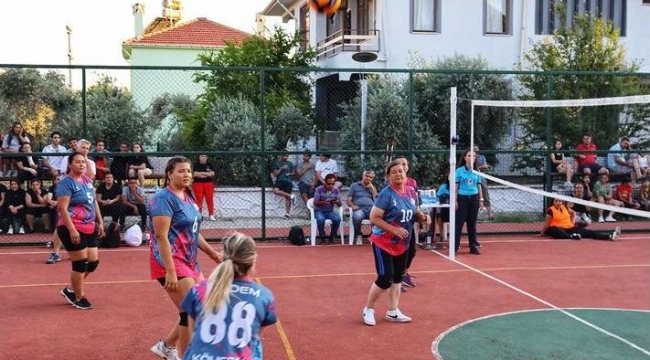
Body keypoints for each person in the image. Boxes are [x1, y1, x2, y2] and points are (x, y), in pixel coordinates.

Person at [148, 156, 222, 359]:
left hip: (190, 262)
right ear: (170, 174)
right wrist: (170, 271)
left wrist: (213, 254)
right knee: (191, 312)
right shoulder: (164, 199)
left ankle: (166, 346)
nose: (186, 174)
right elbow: (161, 236)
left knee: (199, 308)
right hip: (171, 261)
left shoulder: (187, 197)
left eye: (188, 171)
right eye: (181, 171)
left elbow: (194, 232)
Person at [181, 232, 277, 360]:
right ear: (252, 261)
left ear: (224, 257)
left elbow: (194, 334)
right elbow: (254, 335)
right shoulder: (264, 297)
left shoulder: (198, 290)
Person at [362, 160, 430, 326]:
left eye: (400, 171)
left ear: (406, 173)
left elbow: (415, 211)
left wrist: (423, 217)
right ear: (388, 177)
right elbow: (374, 217)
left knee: (398, 277)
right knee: (385, 278)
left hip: (402, 243)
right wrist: (394, 230)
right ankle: (368, 308)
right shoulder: (386, 194)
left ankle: (393, 311)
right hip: (383, 242)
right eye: (394, 172)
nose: (398, 174)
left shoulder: (411, 193)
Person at [57, 151, 105, 310]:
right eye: (77, 162)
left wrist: (100, 221)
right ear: (70, 164)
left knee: (93, 262)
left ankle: (70, 289)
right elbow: (62, 209)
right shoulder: (66, 183)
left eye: (83, 162)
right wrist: (72, 230)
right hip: (72, 226)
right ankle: (79, 297)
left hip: (89, 225)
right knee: (80, 264)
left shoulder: (86, 180)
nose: (82, 164)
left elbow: (93, 203)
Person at [392, 156, 419, 289]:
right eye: (399, 164)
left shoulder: (413, 183)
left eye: (404, 164)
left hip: (409, 221)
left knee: (412, 250)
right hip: (396, 223)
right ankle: (396, 278)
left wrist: (421, 217)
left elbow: (416, 201)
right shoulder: (392, 182)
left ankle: (404, 274)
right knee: (398, 251)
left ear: (407, 168)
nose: (402, 166)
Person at [541, 198, 620, 241]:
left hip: (570, 228)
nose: (558, 202)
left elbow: (573, 213)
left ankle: (610, 236)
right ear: (553, 202)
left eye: (560, 201)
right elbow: (547, 223)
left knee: (589, 232)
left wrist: (572, 222)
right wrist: (542, 233)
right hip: (557, 228)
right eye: (556, 201)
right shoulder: (550, 210)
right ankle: (572, 237)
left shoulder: (564, 207)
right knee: (554, 230)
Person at [454, 149, 483, 255]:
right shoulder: (459, 171)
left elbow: (479, 186)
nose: (471, 158)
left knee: (472, 223)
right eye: (469, 155)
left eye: (473, 156)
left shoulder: (477, 171)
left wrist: (481, 199)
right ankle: (455, 247)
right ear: (465, 158)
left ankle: (473, 247)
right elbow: (456, 187)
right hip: (462, 198)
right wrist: (455, 200)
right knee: (459, 223)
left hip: (474, 198)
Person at [347, 170, 377, 245]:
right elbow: (348, 200)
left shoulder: (372, 187)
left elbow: (377, 202)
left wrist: (373, 190)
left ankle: (373, 235)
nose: (368, 178)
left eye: (371, 177)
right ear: (363, 176)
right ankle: (358, 235)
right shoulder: (354, 186)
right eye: (367, 176)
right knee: (357, 217)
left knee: (378, 217)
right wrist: (352, 206)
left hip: (371, 209)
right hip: (359, 209)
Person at [312, 173, 342, 244]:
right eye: (329, 184)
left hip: (329, 211)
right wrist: (324, 202)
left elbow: (340, 204)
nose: (331, 185)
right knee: (321, 219)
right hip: (319, 210)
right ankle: (322, 237)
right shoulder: (319, 189)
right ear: (325, 182)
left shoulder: (336, 190)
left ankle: (332, 237)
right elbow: (315, 203)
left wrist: (337, 202)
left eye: (333, 184)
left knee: (337, 219)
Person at [270, 151, 296, 219]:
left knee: (287, 199)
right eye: (284, 156)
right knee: (275, 191)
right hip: (279, 181)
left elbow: (293, 173)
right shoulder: (277, 163)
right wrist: (281, 168)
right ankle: (291, 195)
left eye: (287, 156)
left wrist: (289, 174)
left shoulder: (290, 163)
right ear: (281, 156)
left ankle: (287, 214)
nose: (285, 157)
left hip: (288, 181)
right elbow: (275, 174)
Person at [44, 174, 63, 264]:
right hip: (59, 210)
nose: (59, 181)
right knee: (58, 229)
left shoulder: (68, 187)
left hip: (70, 209)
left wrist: (56, 203)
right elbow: (48, 198)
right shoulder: (53, 188)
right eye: (57, 179)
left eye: (61, 179)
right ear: (54, 181)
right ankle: (56, 253)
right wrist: (53, 203)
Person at [192, 154, 216, 221]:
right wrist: (207, 174)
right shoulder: (196, 165)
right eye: (202, 156)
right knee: (199, 200)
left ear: (207, 157)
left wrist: (201, 173)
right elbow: (195, 174)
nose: (203, 158)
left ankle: (211, 215)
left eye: (205, 156)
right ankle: (199, 215)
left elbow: (212, 174)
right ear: (199, 157)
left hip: (209, 184)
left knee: (210, 199)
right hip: (198, 184)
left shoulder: (209, 164)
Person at [474, 146, 495, 219]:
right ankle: (474, 216)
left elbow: (485, 166)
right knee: (475, 196)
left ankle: (490, 215)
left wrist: (477, 168)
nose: (476, 150)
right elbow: (470, 167)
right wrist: (479, 167)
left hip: (482, 177)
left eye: (476, 149)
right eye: (474, 149)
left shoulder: (482, 157)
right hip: (472, 178)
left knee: (485, 195)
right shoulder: (470, 157)